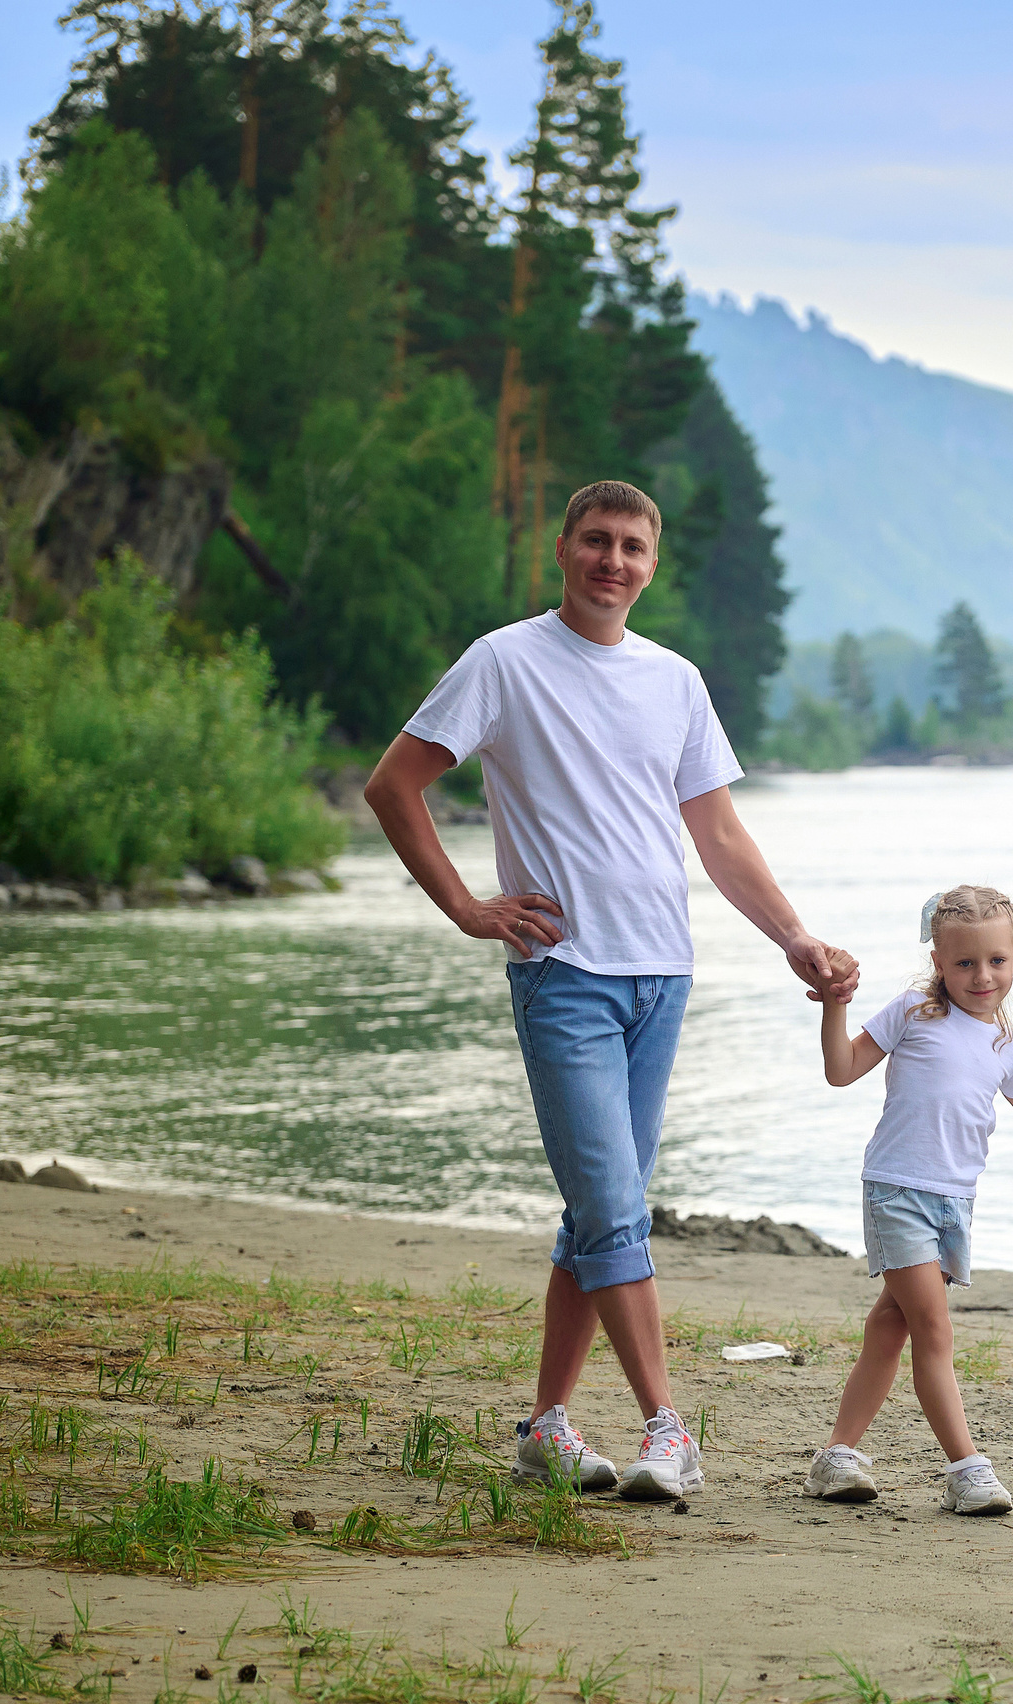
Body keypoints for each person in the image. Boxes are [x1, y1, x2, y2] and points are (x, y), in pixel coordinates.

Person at [364, 480, 858, 1504]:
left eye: (633, 546)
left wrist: (794, 937)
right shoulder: (504, 661)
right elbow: (393, 783)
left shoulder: (673, 680)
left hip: (661, 979)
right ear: (562, 548)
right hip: (563, 976)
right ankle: (667, 1427)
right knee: (614, 1206)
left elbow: (719, 836)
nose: (613, 560)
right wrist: (466, 905)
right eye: (597, 540)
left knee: (596, 1214)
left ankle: (545, 1430)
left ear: (651, 564)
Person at [803, 885, 1013, 1515]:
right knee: (933, 1330)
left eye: (996, 961)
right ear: (939, 961)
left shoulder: (1005, 1043)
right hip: (898, 1191)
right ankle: (966, 1467)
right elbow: (841, 1069)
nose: (982, 975)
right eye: (965, 963)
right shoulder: (915, 1011)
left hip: (955, 1203)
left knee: (890, 1325)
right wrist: (835, 1006)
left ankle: (837, 1455)